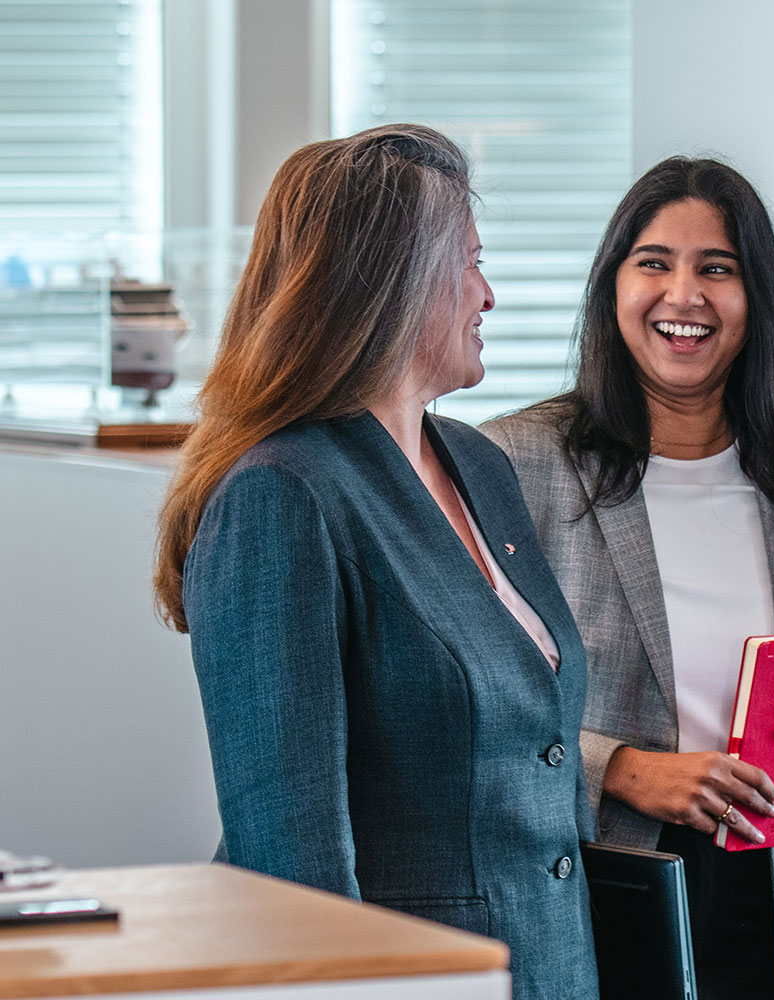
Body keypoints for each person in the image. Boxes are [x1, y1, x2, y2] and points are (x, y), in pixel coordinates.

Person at [153, 124, 599, 1000]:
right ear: (394, 281)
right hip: (407, 982)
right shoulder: (281, 493)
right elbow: (290, 851)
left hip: (552, 971)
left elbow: (539, 758)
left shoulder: (480, 465)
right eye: (470, 260)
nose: (489, 292)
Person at [482, 157, 774, 1000]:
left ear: (756, 299)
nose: (684, 295)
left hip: (761, 906)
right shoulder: (518, 464)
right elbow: (472, 709)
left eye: (718, 269)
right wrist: (622, 768)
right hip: (586, 893)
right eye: (654, 263)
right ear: (612, 286)